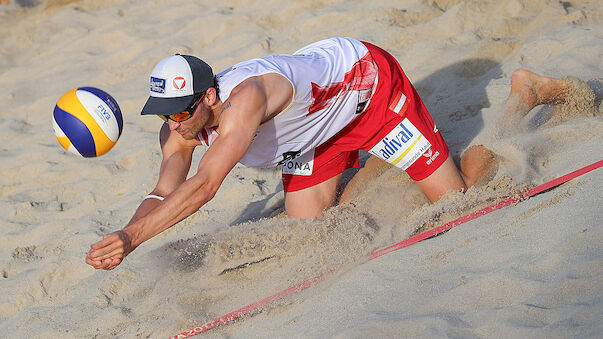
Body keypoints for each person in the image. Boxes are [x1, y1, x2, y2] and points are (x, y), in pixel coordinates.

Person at [86, 37, 571, 270]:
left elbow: (206, 186)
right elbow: (163, 191)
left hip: (367, 93)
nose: (174, 123)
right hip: (309, 138)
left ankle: (521, 98)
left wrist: (133, 237)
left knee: (457, 201)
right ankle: (375, 163)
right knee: (308, 233)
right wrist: (127, 235)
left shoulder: (245, 99)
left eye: (182, 110)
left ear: (210, 97)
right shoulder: (178, 130)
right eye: (165, 112)